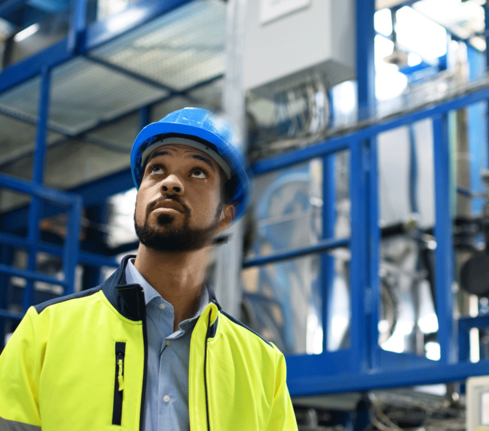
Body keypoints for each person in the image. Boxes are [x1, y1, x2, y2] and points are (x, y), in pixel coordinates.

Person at [0, 108, 298, 431]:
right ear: (138, 198)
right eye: (157, 169)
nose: (170, 182)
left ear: (225, 215)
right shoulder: (42, 335)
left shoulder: (264, 368)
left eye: (197, 172)